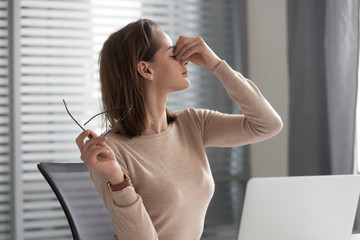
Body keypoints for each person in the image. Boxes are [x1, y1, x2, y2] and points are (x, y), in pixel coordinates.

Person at [75, 19, 282, 240]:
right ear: (146, 69)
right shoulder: (110, 153)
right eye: (174, 54)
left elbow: (267, 125)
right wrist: (117, 179)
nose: (185, 60)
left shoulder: (192, 123)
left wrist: (216, 64)